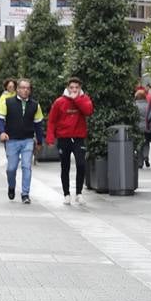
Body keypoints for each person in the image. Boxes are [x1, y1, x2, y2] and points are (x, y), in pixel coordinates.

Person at [46, 77, 95, 206]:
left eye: (76, 88)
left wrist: (77, 99)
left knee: (81, 164)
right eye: (71, 88)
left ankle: (79, 193)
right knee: (65, 166)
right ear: (68, 88)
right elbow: (52, 120)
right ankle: (66, 194)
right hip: (64, 138)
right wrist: (50, 138)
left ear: (80, 88)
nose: (74, 90)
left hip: (78, 138)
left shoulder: (84, 99)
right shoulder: (59, 102)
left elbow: (88, 111)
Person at [0, 78, 44, 204]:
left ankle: (25, 194)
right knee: (11, 168)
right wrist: (2, 132)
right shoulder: (7, 102)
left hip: (28, 140)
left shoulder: (35, 105)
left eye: (27, 88)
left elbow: (38, 124)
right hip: (11, 140)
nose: (25, 90)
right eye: (22, 87)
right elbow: (0, 118)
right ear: (17, 89)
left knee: (26, 166)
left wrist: (39, 141)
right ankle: (11, 186)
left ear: (30, 90)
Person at [134, 86, 151, 168]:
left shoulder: (134, 106)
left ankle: (140, 163)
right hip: (146, 127)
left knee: (139, 144)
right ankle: (146, 156)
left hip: (137, 127)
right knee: (146, 142)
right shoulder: (148, 105)